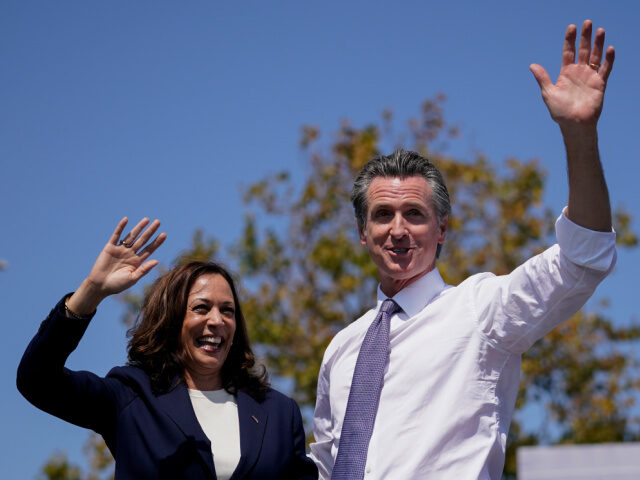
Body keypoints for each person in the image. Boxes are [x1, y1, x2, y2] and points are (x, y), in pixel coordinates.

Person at [310, 20, 616, 479]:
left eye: (414, 214)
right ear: (361, 232)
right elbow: (326, 463)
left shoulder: (481, 311)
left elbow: (582, 258)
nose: (397, 230)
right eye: (382, 216)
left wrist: (579, 135)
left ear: (442, 230)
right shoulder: (341, 349)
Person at [17, 217, 318, 480]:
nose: (217, 320)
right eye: (201, 308)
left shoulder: (279, 412)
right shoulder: (131, 397)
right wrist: (92, 291)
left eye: (227, 311)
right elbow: (37, 378)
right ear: (172, 321)